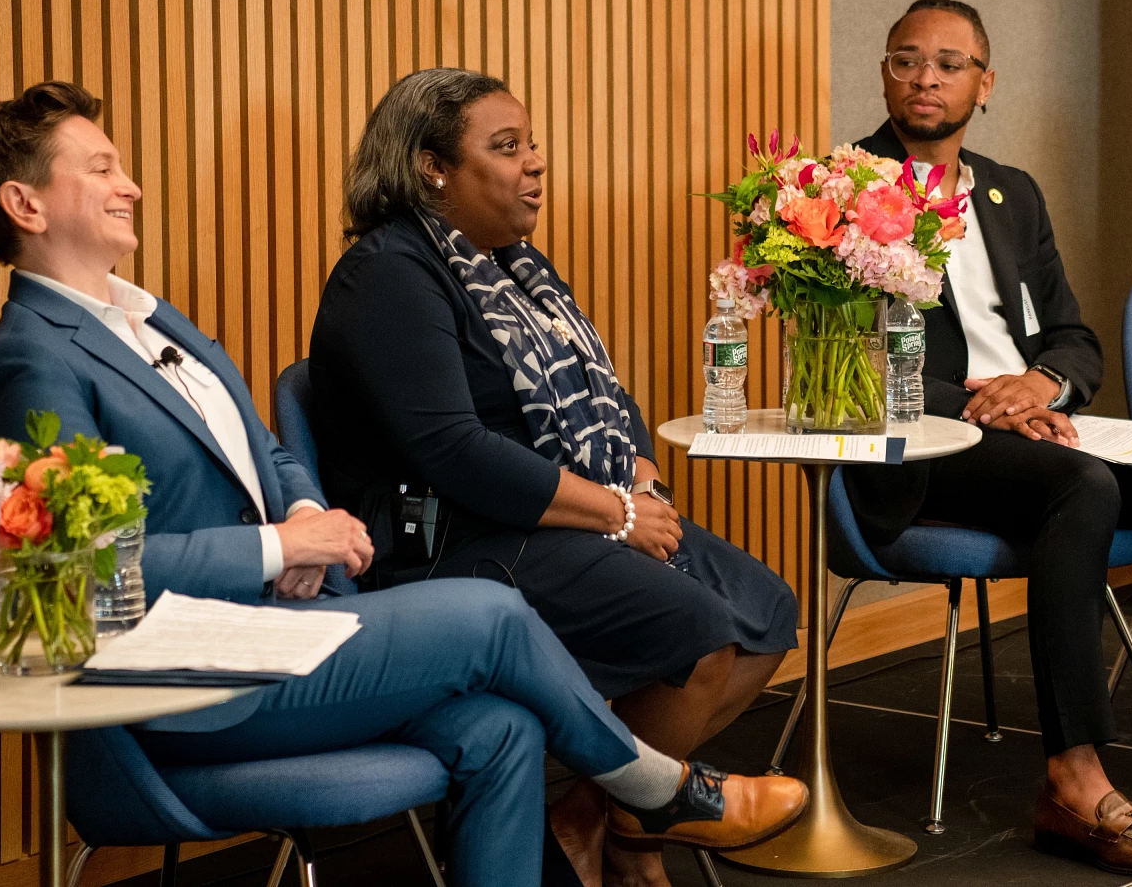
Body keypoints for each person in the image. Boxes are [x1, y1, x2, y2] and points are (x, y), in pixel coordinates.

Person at [0, 82, 806, 887]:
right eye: (100, 169)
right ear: (26, 206)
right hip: (182, 679)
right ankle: (660, 788)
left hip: (282, 628)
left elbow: (270, 450)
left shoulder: (152, 318)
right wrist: (274, 546)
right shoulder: (31, 358)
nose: (130, 184)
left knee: (500, 727)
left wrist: (304, 507)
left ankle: (628, 803)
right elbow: (80, 572)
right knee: (487, 612)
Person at [306, 68, 798, 887]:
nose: (535, 162)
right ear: (432, 166)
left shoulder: (514, 267)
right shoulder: (389, 272)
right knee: (703, 632)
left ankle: (588, 822)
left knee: (767, 612)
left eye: (531, 143)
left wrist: (640, 478)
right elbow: (455, 450)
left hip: (555, 515)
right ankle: (639, 832)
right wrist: (612, 511)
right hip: (455, 543)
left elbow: (605, 393)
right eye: (506, 147)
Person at [844, 0, 1132, 871]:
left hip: (1034, 427)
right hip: (923, 440)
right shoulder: (842, 191)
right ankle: (1074, 777)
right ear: (884, 72)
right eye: (907, 59)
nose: (926, 78)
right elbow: (852, 355)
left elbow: (1074, 338)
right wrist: (984, 400)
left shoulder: (1012, 192)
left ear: (986, 81)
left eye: (949, 62)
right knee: (1080, 485)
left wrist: (1043, 383)